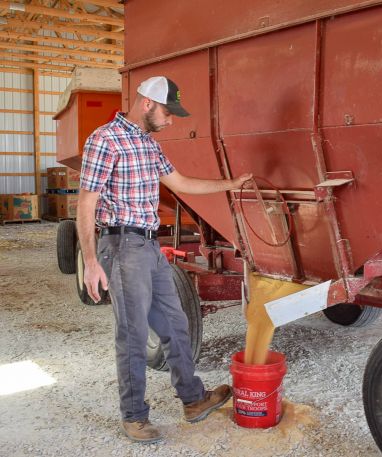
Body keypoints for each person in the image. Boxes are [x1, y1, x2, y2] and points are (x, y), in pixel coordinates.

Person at [76, 76, 252, 443]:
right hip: (122, 246)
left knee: (175, 324)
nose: (171, 121)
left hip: (149, 247)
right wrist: (91, 263)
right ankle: (135, 417)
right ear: (146, 104)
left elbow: (182, 183)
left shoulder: (147, 144)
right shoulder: (104, 140)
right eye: (168, 113)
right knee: (134, 333)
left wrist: (229, 185)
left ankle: (193, 399)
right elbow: (86, 204)